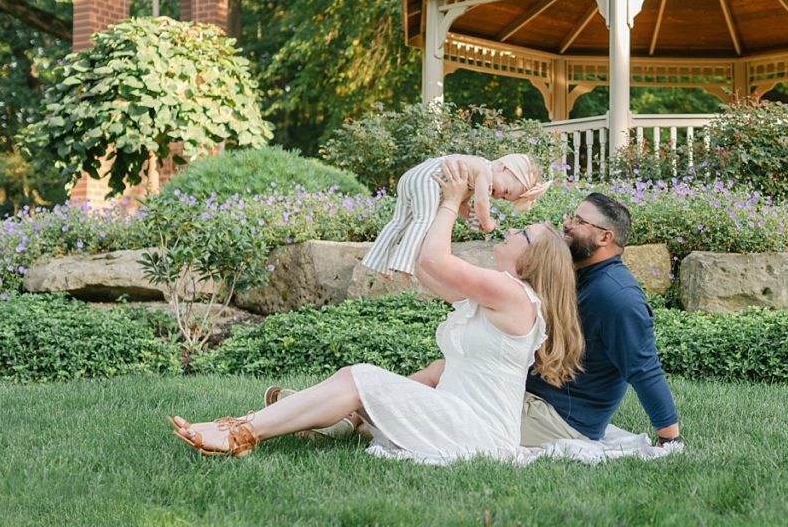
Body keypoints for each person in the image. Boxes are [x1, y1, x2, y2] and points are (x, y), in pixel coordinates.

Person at [170, 160, 583, 462]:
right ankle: (249, 425)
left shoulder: (509, 292)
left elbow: (437, 262)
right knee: (362, 382)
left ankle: (242, 432)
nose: (511, 229)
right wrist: (444, 205)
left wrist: (451, 202)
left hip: (476, 430)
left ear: (533, 261)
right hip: (460, 416)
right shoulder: (501, 294)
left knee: (359, 377)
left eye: (523, 234)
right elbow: (426, 267)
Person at [521, 192, 681, 447]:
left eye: (579, 221)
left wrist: (669, 438)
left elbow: (644, 369)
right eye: (571, 217)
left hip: (556, 421)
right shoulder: (583, 276)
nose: (567, 224)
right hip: (535, 402)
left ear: (605, 237)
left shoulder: (617, 297)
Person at [361, 153, 551, 279]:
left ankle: (378, 262)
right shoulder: (485, 171)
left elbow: (463, 202)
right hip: (427, 180)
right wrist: (487, 222)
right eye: (506, 191)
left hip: (411, 177)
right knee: (424, 220)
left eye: (505, 198)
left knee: (399, 222)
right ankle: (403, 264)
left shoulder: (474, 173)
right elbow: (481, 203)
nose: (499, 196)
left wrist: (470, 217)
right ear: (503, 168)